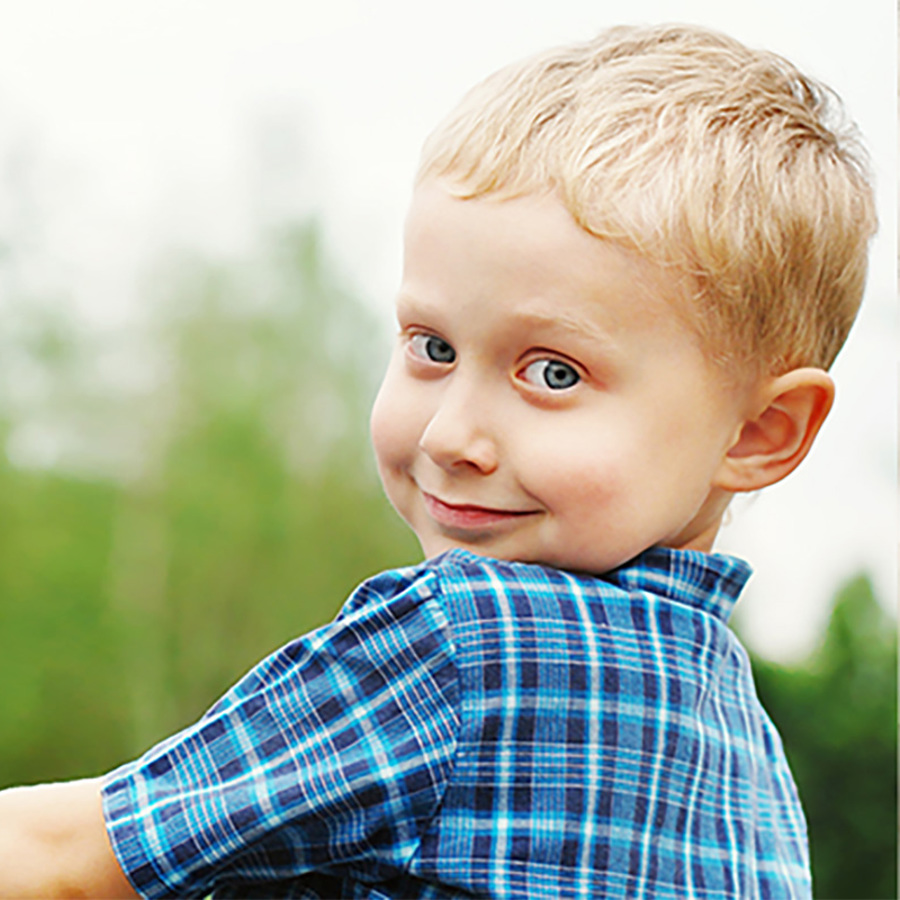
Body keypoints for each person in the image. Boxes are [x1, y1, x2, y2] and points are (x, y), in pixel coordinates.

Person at [0, 22, 876, 900]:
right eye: (433, 346)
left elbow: (59, 862)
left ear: (760, 432)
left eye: (553, 373)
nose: (452, 435)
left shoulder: (461, 644)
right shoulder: (742, 749)